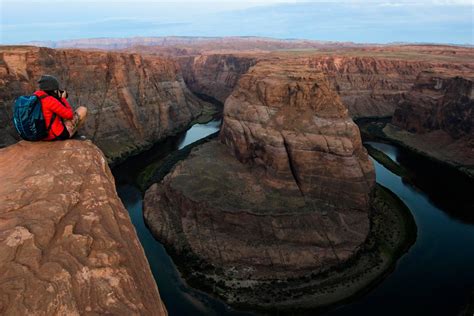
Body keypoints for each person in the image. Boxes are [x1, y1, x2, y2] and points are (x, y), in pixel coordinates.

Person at [34, 75, 88, 140]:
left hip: (38, 134)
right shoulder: (50, 100)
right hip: (53, 135)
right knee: (82, 110)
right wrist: (62, 99)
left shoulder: (35, 97)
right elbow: (69, 115)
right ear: (53, 89)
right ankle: (72, 134)